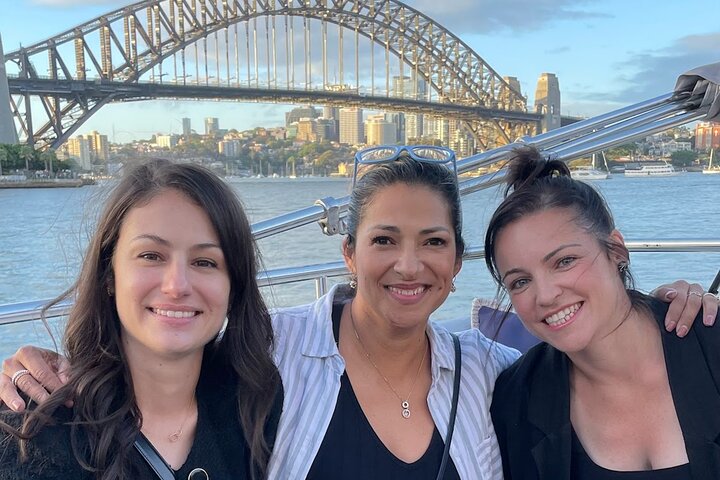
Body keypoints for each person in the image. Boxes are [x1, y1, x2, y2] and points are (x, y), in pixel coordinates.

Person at [0, 148, 714, 480]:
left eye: (433, 242)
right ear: (347, 254)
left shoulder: (499, 376)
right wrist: (49, 371)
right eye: (383, 241)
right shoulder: (266, 358)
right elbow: (162, 370)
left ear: (456, 262)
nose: (409, 265)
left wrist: (674, 304)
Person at [0, 160, 282, 479]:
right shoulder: (35, 434)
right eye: (151, 256)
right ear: (109, 274)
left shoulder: (255, 404)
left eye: (205, 262)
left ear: (234, 286)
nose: (177, 286)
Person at [486, 147, 720, 479]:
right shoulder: (516, 400)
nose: (546, 295)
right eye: (521, 281)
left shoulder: (709, 339)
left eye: (564, 261)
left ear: (616, 251)